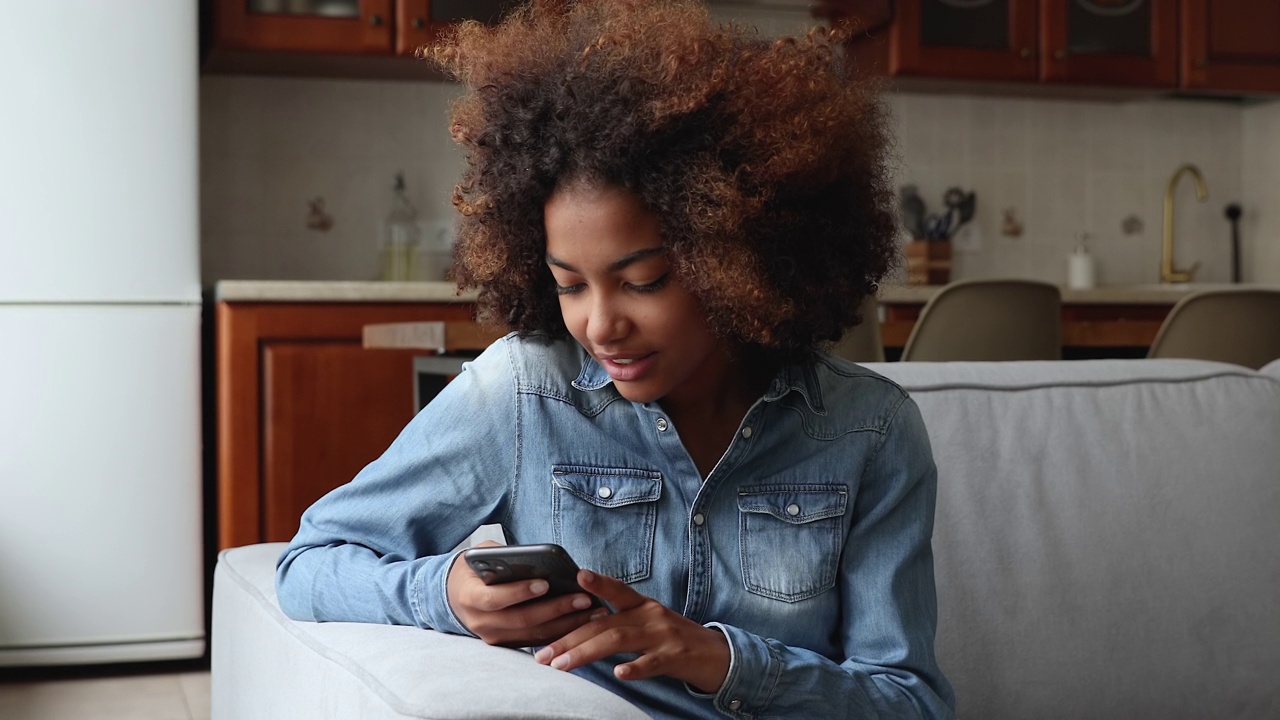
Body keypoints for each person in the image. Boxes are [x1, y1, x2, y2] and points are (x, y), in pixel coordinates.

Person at [276, 1, 956, 717]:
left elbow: (910, 702)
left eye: (644, 282)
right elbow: (309, 565)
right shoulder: (523, 393)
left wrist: (719, 660)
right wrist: (445, 594)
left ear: (739, 260)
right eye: (569, 284)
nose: (600, 325)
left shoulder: (870, 431)